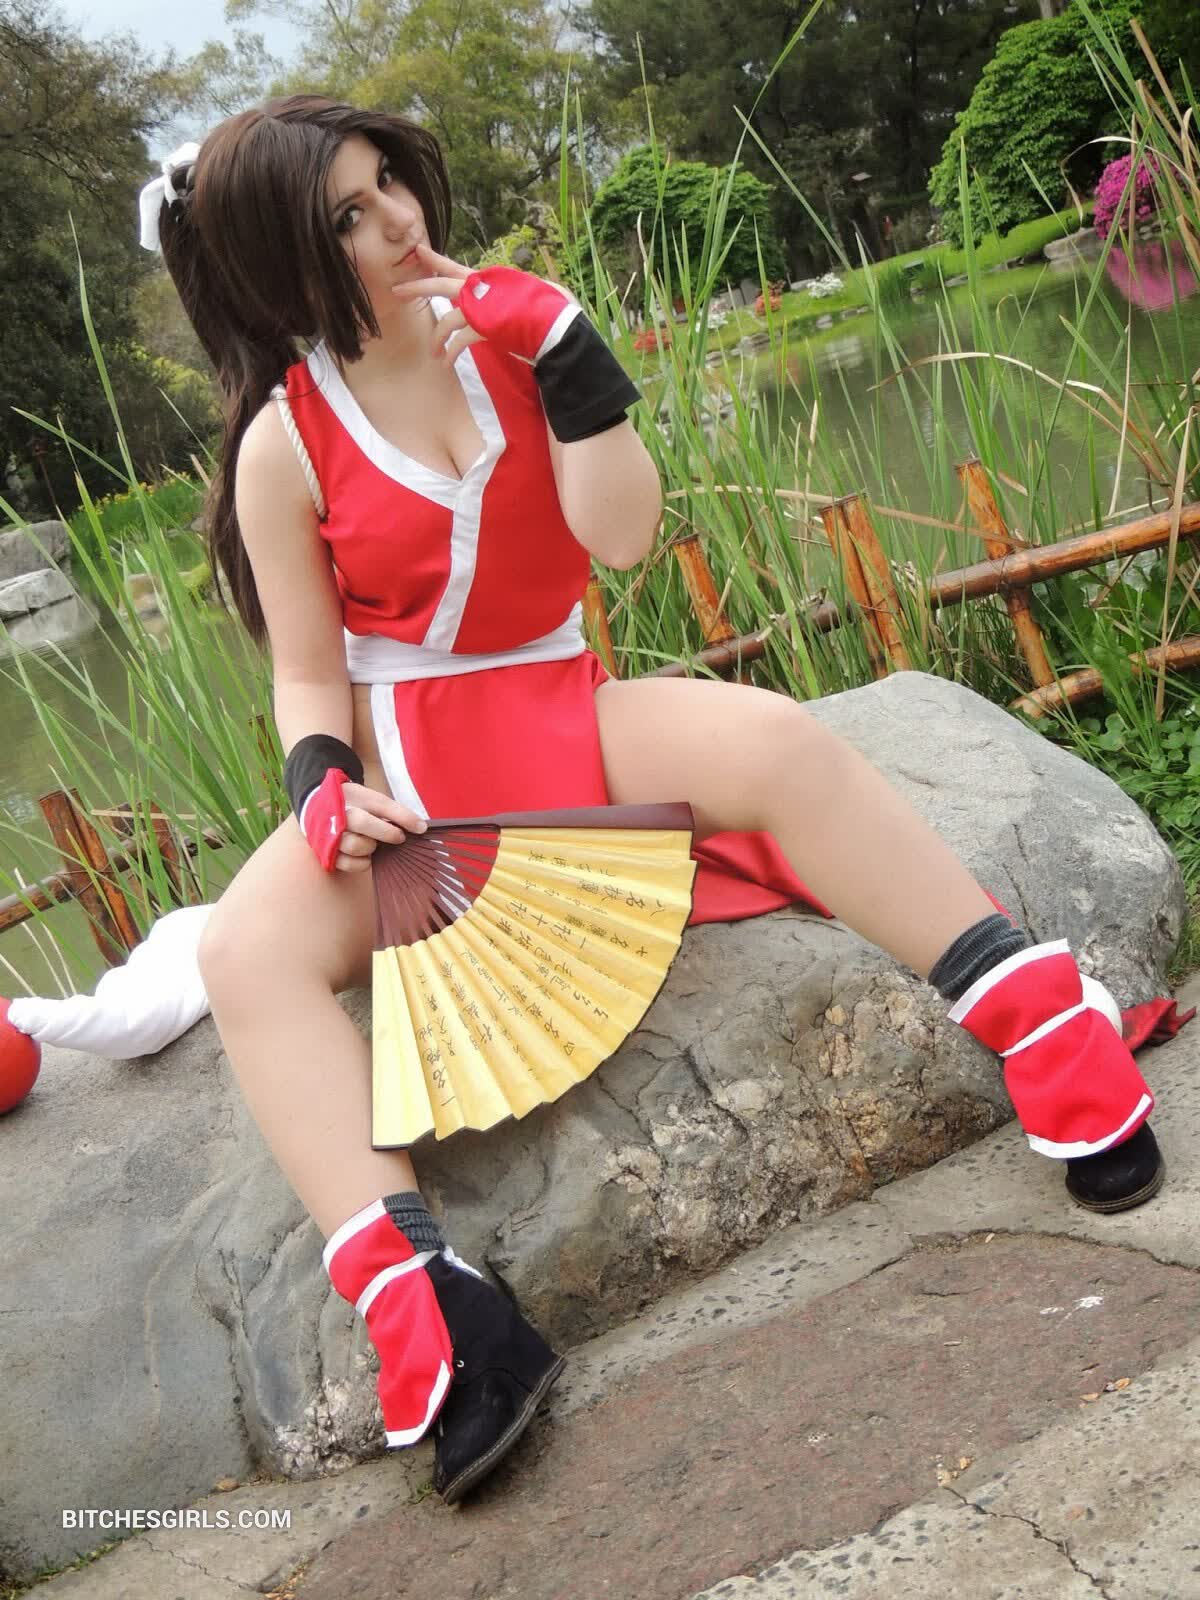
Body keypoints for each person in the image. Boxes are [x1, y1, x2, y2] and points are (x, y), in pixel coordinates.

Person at [123, 93, 1165, 1505]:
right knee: (247, 954)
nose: (400, 223)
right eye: (350, 217)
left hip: (560, 708)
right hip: (414, 780)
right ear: (282, 262)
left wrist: (567, 352)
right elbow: (307, 671)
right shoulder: (283, 439)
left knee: (775, 741)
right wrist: (319, 781)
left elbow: (619, 542)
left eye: (391, 184)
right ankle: (438, 1309)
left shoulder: (507, 339)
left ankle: (1041, 1027)